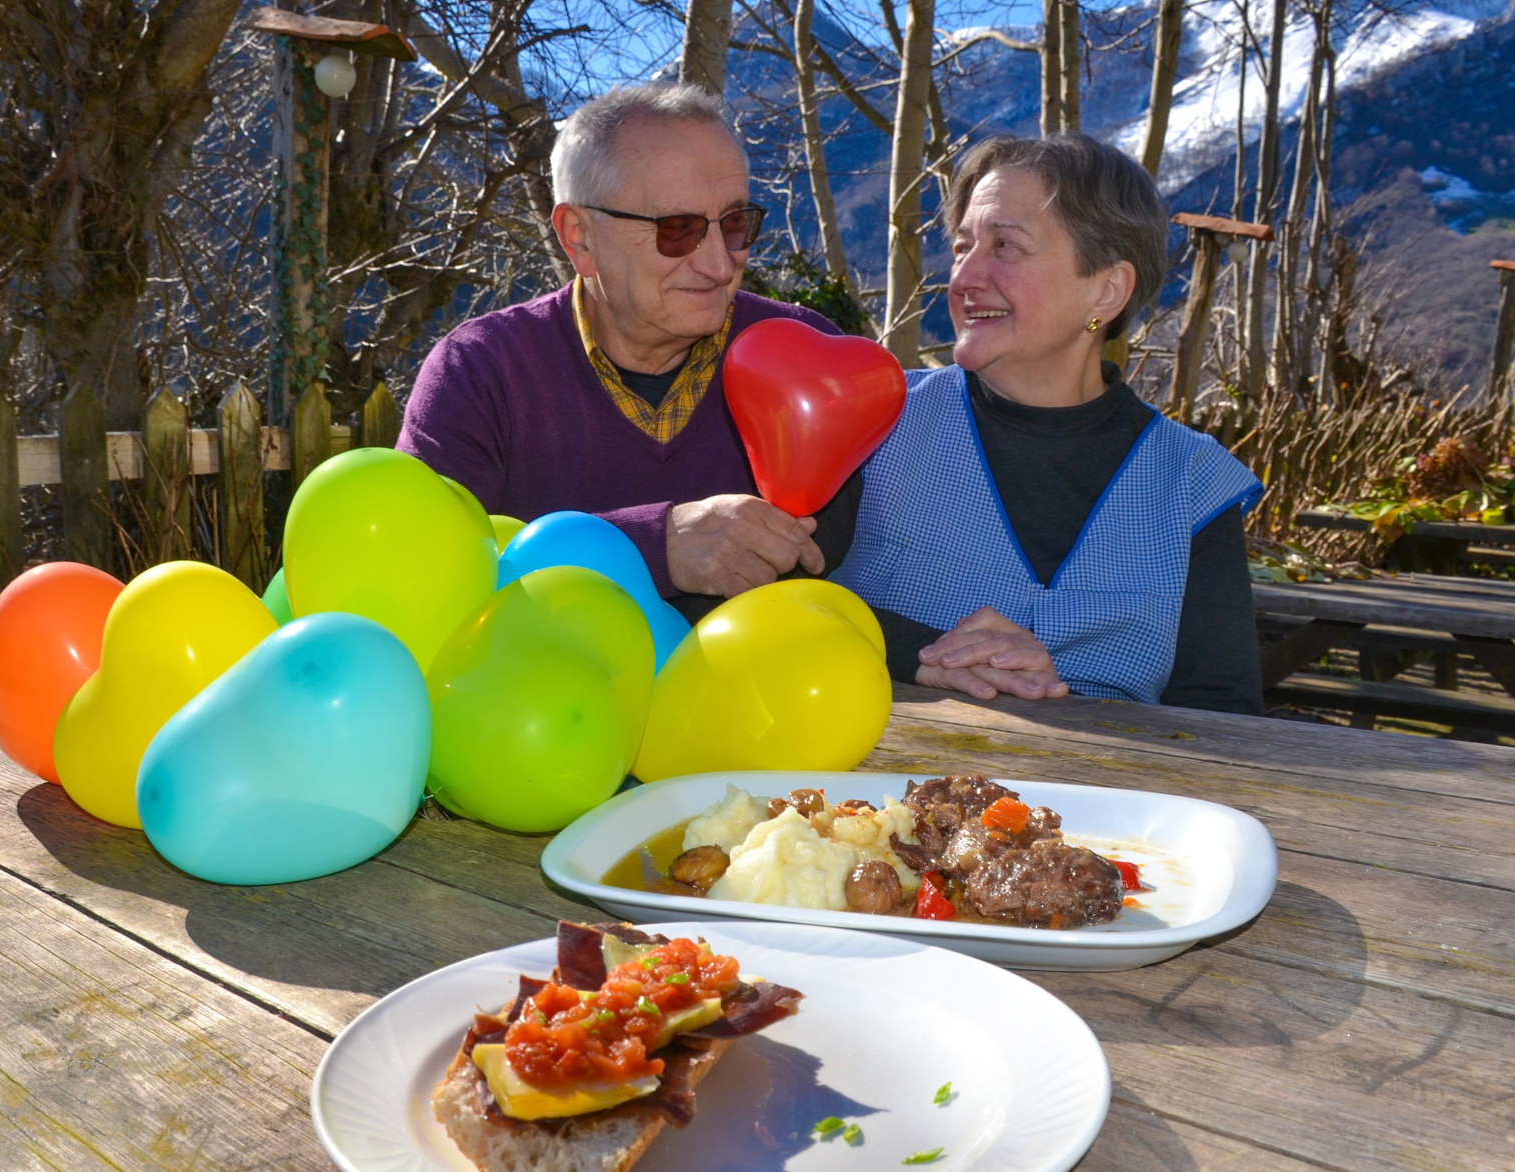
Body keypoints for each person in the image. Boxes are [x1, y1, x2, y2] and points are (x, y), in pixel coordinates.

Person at [834, 135, 1266, 714]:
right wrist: (927, 655)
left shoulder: (1192, 484)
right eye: (963, 248)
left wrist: (1066, 698)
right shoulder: (873, 420)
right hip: (867, 792)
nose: (963, 279)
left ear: (1107, 290)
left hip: (1101, 799)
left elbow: (1223, 713)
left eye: (1006, 247)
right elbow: (774, 601)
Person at [397, 83, 861, 611]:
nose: (719, 264)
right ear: (580, 238)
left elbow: (868, 575)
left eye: (734, 224)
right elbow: (418, 573)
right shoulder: (480, 373)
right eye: (678, 230)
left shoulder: (810, 356)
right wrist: (655, 547)